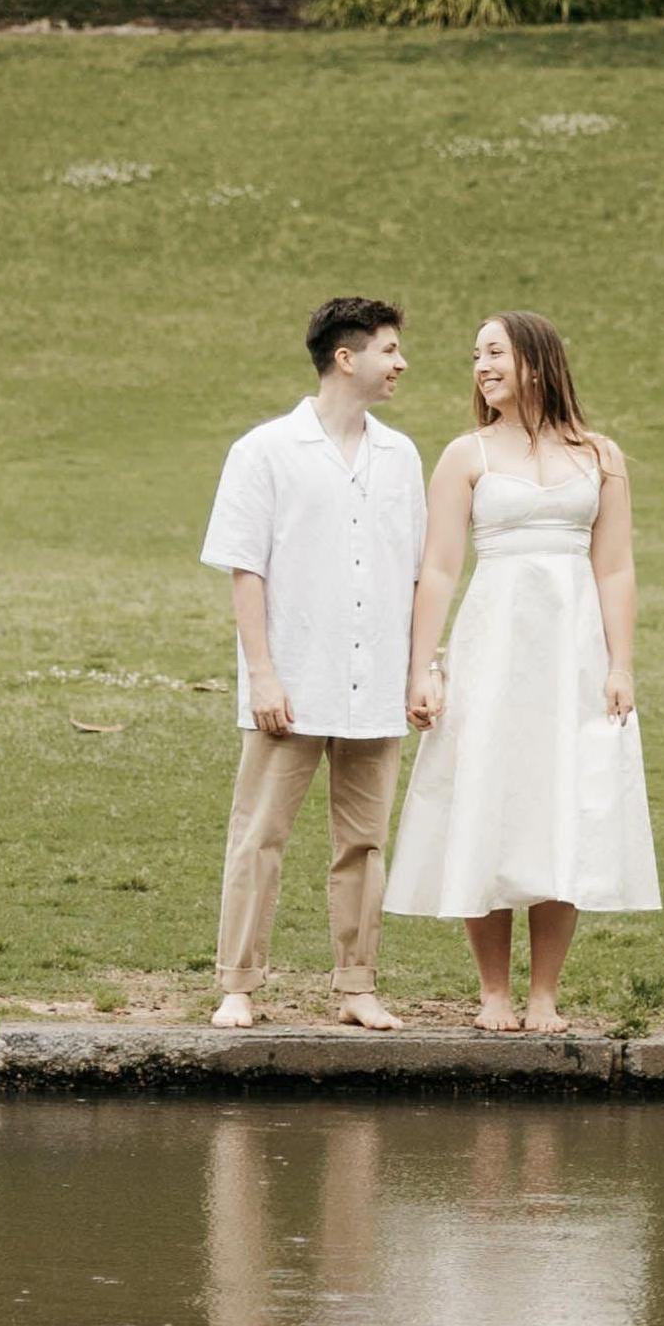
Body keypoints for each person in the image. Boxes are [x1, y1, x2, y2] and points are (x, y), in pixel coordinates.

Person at [385, 311, 660, 1030]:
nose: (481, 366)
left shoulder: (601, 457)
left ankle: (544, 993)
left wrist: (620, 664)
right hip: (493, 650)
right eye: (476, 355)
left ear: (535, 362)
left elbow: (615, 567)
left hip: (572, 656)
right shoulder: (465, 455)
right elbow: (438, 568)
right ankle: (492, 993)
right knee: (488, 797)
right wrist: (424, 667)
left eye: (495, 352)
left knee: (562, 803)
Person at [198, 296, 424, 1030]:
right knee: (259, 836)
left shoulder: (401, 457)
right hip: (292, 682)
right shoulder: (263, 450)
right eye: (389, 350)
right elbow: (245, 570)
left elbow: (415, 573)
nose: (401, 363)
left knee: (364, 842)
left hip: (375, 683)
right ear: (346, 358)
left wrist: (422, 669)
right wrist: (263, 675)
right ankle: (238, 983)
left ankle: (357, 985)